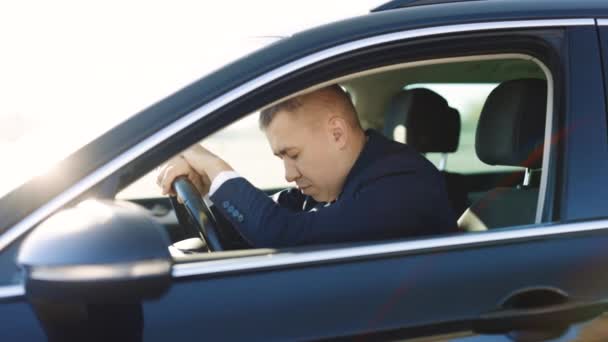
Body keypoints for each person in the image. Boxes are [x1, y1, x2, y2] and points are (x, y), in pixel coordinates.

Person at [157, 85, 458, 248]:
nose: (289, 174)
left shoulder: (404, 182)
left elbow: (282, 233)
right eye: (282, 158)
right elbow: (250, 227)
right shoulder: (321, 189)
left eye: (294, 154)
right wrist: (207, 189)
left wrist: (214, 165)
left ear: (337, 133)